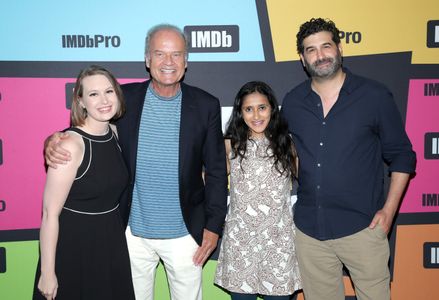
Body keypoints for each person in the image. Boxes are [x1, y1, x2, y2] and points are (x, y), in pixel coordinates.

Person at [44, 24, 228, 300]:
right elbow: (87, 128)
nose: (168, 62)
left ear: (186, 61)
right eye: (159, 54)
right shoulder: (124, 100)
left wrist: (213, 227)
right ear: (147, 60)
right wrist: (53, 140)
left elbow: (216, 171)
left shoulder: (205, 105)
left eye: (176, 55)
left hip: (184, 235)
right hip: (131, 234)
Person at [280, 18, 416, 300]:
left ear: (340, 49)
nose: (320, 55)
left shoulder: (374, 96)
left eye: (326, 46)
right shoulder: (293, 102)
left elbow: (402, 156)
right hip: (309, 232)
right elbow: (283, 154)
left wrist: (388, 213)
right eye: (311, 50)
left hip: (363, 229)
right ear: (302, 59)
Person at [34, 65, 135, 300]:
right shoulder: (70, 144)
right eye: (93, 94)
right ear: (80, 101)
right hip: (74, 246)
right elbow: (49, 214)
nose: (103, 100)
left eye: (108, 91)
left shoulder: (115, 133)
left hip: (110, 242)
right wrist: (48, 273)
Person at [214, 81, 302, 300]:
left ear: (272, 108)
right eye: (248, 109)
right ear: (240, 113)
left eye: (262, 107)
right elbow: (210, 180)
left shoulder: (286, 145)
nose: (256, 115)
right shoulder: (230, 145)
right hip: (240, 244)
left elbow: (311, 181)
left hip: (279, 244)